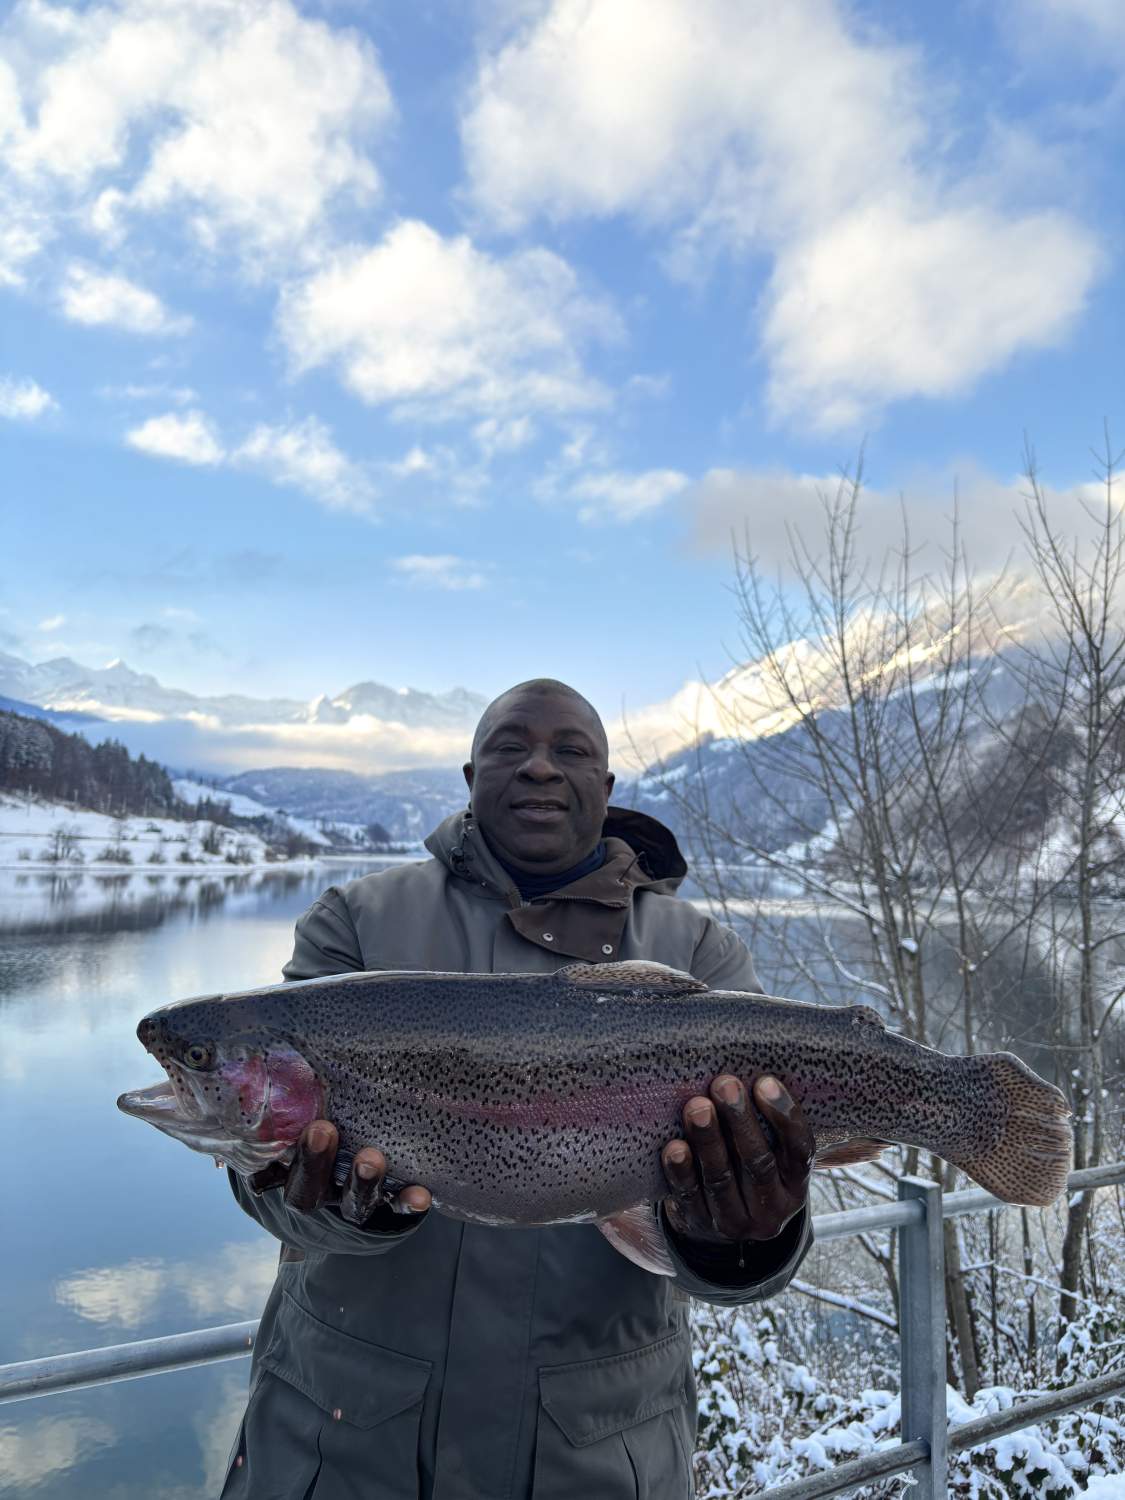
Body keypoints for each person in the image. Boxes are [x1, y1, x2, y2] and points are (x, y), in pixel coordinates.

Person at [221, 678, 814, 1500]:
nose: (538, 767)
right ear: (469, 778)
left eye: (569, 750)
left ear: (606, 791)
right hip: (341, 1446)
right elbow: (267, 1183)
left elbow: (740, 1267)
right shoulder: (353, 922)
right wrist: (324, 1205)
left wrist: (742, 1234)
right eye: (510, 746)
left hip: (593, 1460)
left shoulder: (700, 953)